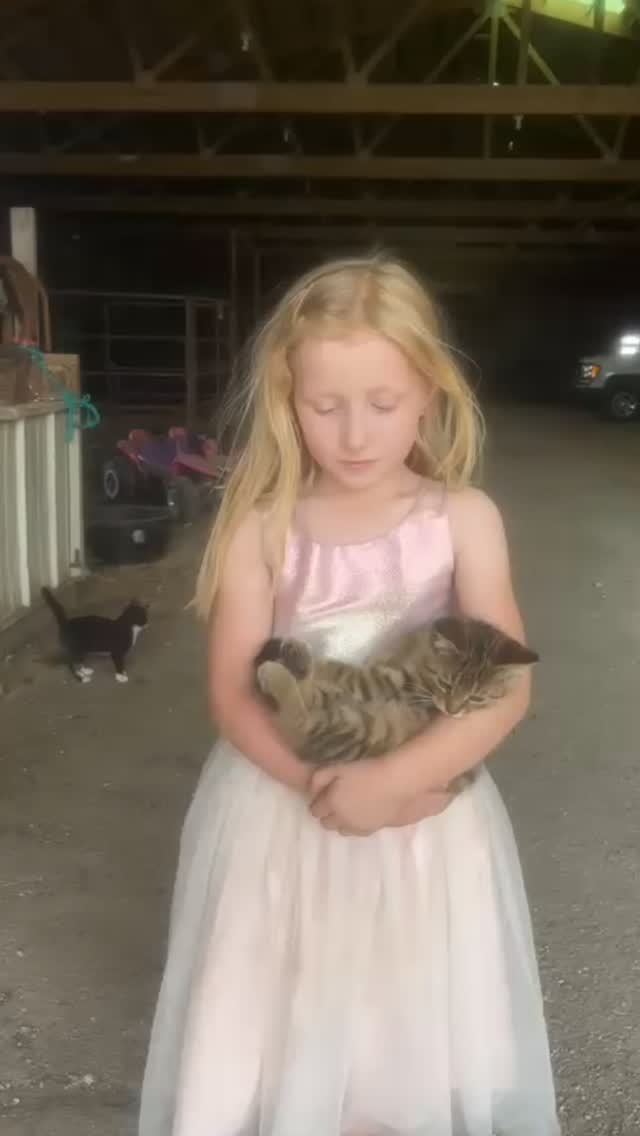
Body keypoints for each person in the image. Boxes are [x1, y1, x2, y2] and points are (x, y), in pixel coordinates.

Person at [139, 255, 559, 1136]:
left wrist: (397, 782)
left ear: (429, 395)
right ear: (288, 400)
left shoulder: (463, 518)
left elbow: (502, 686)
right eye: (325, 407)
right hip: (282, 817)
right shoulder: (262, 524)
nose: (356, 435)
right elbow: (231, 691)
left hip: (423, 833)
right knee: (280, 1030)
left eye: (383, 404)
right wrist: (326, 789)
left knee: (399, 1050)